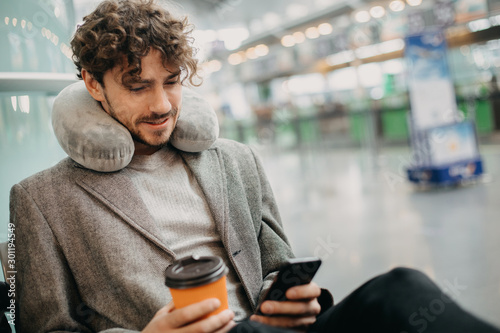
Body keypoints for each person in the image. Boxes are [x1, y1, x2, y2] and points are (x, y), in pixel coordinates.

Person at [9, 1, 500, 332]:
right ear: (93, 84)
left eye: (172, 81)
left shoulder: (236, 160)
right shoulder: (41, 198)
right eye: (137, 86)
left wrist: (291, 297)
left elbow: (276, 266)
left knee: (403, 288)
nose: (162, 104)